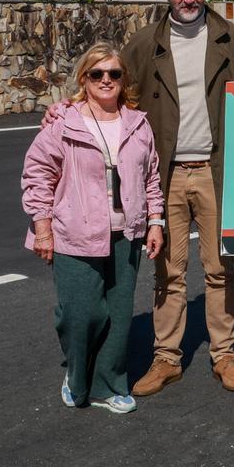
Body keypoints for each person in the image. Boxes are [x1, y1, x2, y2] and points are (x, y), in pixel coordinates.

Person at [42, 0, 234, 396]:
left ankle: (224, 355)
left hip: (215, 170)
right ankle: (166, 358)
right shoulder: (143, 43)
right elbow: (107, 84)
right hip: (164, 175)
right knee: (168, 273)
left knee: (219, 268)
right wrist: (67, 106)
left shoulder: (230, 37)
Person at [22, 42, 165, 413]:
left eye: (114, 74)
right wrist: (42, 229)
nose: (106, 80)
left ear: (123, 80)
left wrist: (155, 222)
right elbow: (38, 175)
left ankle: (107, 385)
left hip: (126, 234)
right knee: (80, 313)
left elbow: (151, 177)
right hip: (74, 232)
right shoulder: (63, 122)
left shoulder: (138, 123)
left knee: (118, 317)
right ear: (84, 79)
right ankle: (76, 375)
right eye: (97, 73)